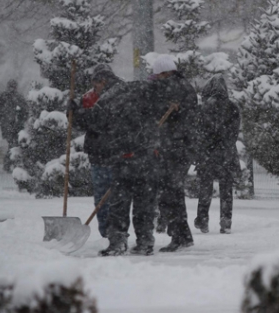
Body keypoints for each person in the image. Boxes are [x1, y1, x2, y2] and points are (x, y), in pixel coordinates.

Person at [72, 65, 160, 256]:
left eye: (97, 84)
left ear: (103, 81)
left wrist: (75, 112)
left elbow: (94, 122)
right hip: (147, 157)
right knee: (144, 202)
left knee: (119, 203)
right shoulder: (136, 89)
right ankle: (145, 241)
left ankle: (118, 242)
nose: (96, 89)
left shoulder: (109, 99)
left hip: (125, 158)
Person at [149, 55, 200, 252]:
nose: (157, 79)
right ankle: (183, 235)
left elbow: (180, 118)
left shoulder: (173, 87)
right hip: (179, 147)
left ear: (164, 73)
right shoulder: (183, 86)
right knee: (173, 191)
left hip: (175, 147)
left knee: (170, 192)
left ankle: (178, 236)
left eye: (158, 76)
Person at [71, 64, 119, 238]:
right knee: (100, 194)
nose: (94, 86)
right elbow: (79, 125)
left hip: (116, 153)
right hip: (97, 153)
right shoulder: (87, 98)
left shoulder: (118, 97)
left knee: (117, 196)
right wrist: (73, 113)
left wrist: (84, 114)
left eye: (97, 82)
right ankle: (105, 230)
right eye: (93, 82)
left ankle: (117, 231)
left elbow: (104, 121)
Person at [193, 75, 241, 234]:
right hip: (227, 153)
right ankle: (226, 221)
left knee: (205, 188)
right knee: (226, 189)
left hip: (207, 154)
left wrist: (206, 147)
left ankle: (203, 219)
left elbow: (199, 133)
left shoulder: (203, 108)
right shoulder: (233, 108)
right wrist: (225, 145)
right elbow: (234, 133)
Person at [0, 79, 27, 169]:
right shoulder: (18, 97)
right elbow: (25, 110)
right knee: (14, 144)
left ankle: (9, 163)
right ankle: (10, 163)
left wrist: (2, 118)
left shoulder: (2, 96)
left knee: (12, 144)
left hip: (8, 125)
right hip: (15, 125)